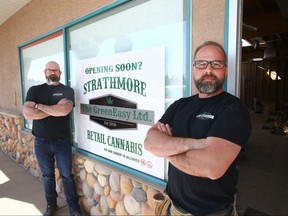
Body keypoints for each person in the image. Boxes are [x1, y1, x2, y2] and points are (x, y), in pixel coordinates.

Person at [144, 41, 251, 215]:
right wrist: (198, 144)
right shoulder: (180, 105)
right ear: (194, 69)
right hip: (172, 207)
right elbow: (150, 142)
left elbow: (211, 167)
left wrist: (166, 149)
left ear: (226, 70)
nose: (208, 70)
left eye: (216, 64)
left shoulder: (233, 109)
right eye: (201, 64)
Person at [23, 61, 81, 216]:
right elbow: (27, 114)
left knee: (67, 176)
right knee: (48, 176)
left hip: (62, 141)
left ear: (60, 73)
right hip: (41, 142)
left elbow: (64, 110)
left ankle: (74, 208)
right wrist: (54, 109)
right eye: (50, 70)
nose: (53, 72)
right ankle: (51, 205)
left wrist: (39, 106)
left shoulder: (67, 90)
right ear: (45, 72)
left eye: (56, 70)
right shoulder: (35, 90)